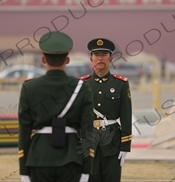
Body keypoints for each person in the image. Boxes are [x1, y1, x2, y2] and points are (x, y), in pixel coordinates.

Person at [18, 31, 94, 182]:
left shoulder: (29, 88)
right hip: (71, 156)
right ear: (67, 60)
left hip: (39, 157)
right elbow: (87, 132)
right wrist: (87, 170)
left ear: (43, 59)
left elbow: (24, 132)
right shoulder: (82, 87)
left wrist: (24, 171)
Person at [79, 38, 132, 182]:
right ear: (91, 59)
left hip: (113, 143)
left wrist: (125, 145)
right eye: (96, 55)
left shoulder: (121, 84)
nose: (100, 58)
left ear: (111, 58)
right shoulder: (82, 84)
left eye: (103, 54)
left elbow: (126, 116)